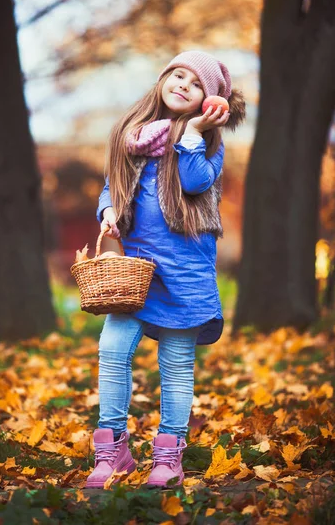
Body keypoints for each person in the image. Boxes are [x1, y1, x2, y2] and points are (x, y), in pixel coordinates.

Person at [86, 51, 245, 489]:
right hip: (137, 273)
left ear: (205, 102)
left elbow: (195, 183)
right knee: (113, 351)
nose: (182, 84)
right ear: (162, 80)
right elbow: (110, 185)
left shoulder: (208, 145)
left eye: (195, 84)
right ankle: (113, 449)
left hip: (185, 273)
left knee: (175, 365)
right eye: (177, 75)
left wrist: (193, 132)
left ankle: (168, 453)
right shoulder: (133, 137)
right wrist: (108, 209)